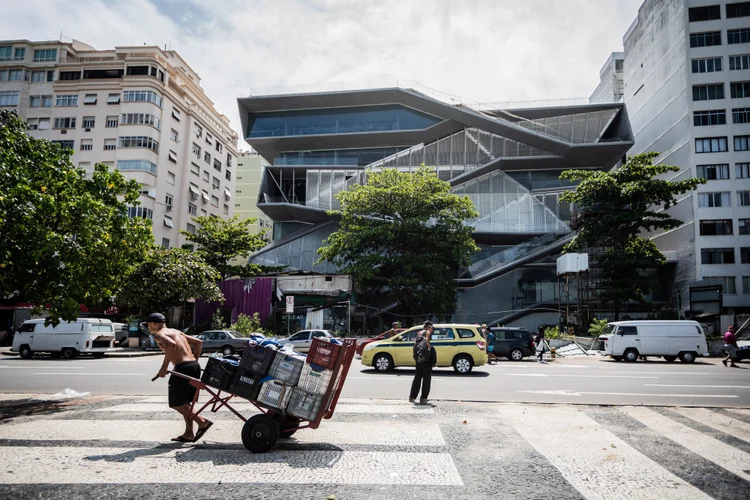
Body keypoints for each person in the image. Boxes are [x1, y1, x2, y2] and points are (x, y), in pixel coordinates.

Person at [149, 312, 213, 442]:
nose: (149, 328)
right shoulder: (176, 332)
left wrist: (164, 367)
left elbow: (171, 345)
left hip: (183, 367)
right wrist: (194, 360)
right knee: (185, 403)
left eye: (149, 325)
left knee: (176, 403)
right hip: (193, 366)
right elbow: (199, 342)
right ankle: (189, 433)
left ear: (154, 324)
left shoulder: (159, 334)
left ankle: (202, 422)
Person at [409, 321, 434, 404]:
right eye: (431, 327)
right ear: (427, 327)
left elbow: (416, 344)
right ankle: (423, 398)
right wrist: (431, 348)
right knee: (427, 378)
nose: (432, 329)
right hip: (425, 358)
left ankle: (412, 397)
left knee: (417, 378)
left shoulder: (419, 333)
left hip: (419, 357)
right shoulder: (427, 332)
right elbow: (426, 341)